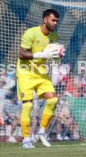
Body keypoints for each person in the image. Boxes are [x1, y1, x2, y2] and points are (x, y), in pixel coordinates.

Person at [16, 9, 64, 148]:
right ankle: (26, 140)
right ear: (45, 20)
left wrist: (57, 57)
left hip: (41, 73)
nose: (55, 23)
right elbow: (21, 54)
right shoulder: (31, 33)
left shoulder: (54, 37)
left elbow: (52, 58)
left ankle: (41, 132)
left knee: (53, 100)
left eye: (56, 21)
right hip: (25, 72)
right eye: (53, 20)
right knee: (28, 105)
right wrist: (42, 55)